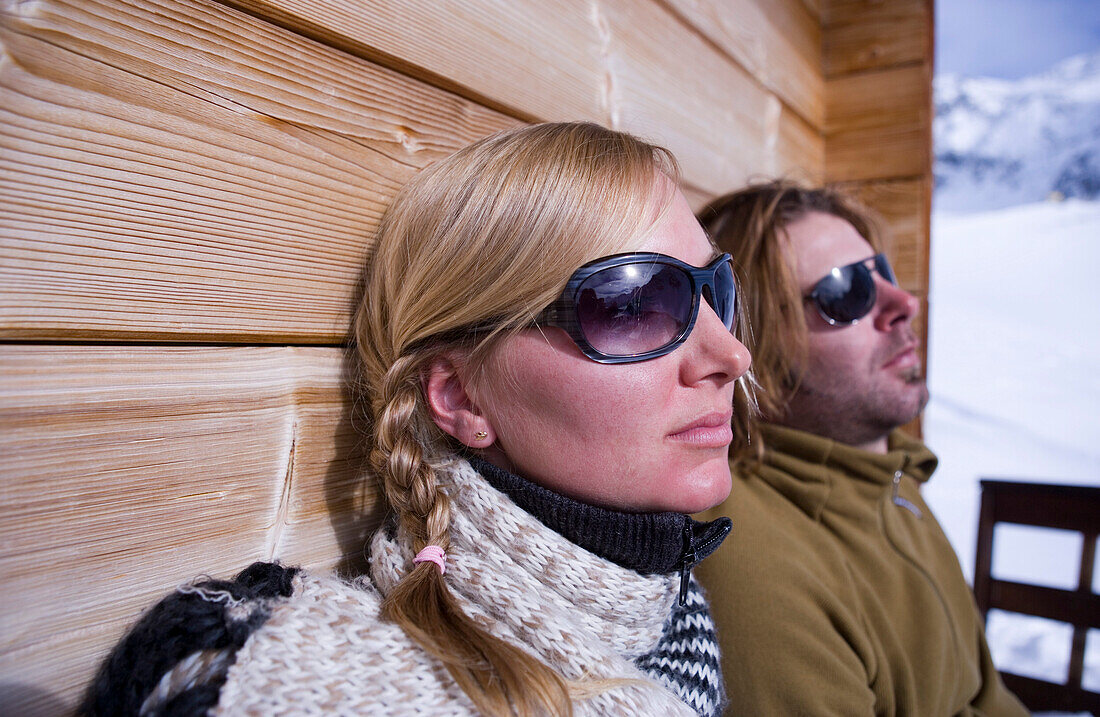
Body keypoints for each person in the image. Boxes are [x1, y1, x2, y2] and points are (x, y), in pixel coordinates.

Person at [81, 122, 752, 717]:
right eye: (632, 303)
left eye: (713, 291)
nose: (731, 353)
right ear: (461, 397)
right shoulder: (283, 674)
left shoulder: (671, 616)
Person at [694, 180, 1028, 716]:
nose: (905, 303)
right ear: (753, 346)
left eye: (884, 275)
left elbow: (988, 699)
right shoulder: (755, 569)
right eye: (846, 291)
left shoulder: (893, 477)